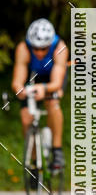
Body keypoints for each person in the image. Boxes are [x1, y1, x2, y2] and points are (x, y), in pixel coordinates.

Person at [12, 19, 69, 171]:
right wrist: (21, 91)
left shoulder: (60, 48)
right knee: (26, 117)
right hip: (33, 76)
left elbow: (57, 82)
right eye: (35, 48)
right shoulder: (23, 48)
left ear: (50, 44)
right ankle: (34, 161)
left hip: (53, 77)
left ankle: (57, 150)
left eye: (43, 49)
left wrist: (45, 89)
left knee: (52, 103)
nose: (39, 52)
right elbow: (17, 80)